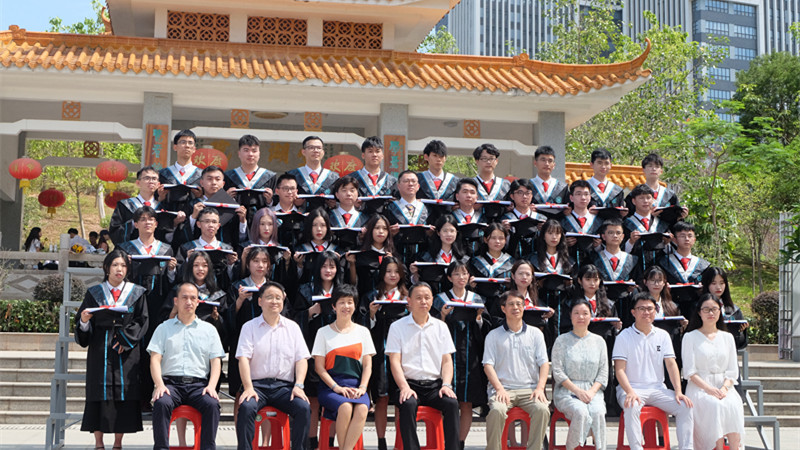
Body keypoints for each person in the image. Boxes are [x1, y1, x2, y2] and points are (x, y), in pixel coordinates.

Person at [75, 249, 148, 450]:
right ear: (106, 268)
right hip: (100, 349)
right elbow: (83, 324)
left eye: (123, 266)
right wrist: (84, 321)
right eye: (115, 265)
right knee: (98, 394)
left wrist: (125, 340)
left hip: (126, 352)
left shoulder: (136, 293)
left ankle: (118, 443)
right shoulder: (94, 293)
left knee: (123, 396)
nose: (119, 269)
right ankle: (98, 443)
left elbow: (142, 321)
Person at [148, 282, 225, 450]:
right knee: (161, 402)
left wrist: (212, 386)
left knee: (212, 404)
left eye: (193, 298)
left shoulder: (209, 330)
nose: (189, 302)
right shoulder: (163, 328)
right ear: (176, 301)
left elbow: (216, 361)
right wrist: (159, 385)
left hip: (198, 386)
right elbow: (154, 359)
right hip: (171, 385)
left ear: (198, 302)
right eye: (184, 298)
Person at [236, 281, 312, 450]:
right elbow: (243, 359)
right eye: (269, 297)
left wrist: (299, 385)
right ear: (260, 301)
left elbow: (301, 359)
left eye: (278, 298)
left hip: (284, 388)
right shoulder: (249, 327)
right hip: (257, 387)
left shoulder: (292, 327)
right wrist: (248, 388)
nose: (274, 301)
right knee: (247, 408)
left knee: (303, 408)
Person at [613, 292, 693, 450]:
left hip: (657, 389)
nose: (646, 312)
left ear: (656, 311)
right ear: (633, 312)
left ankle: (686, 448)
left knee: (685, 406)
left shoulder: (663, 335)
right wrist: (629, 391)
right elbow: (619, 369)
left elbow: (671, 364)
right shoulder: (624, 336)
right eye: (641, 309)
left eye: (650, 308)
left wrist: (678, 391)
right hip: (631, 388)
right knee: (632, 405)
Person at [386, 282, 460, 450]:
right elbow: (394, 361)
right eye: (418, 298)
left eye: (427, 298)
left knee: (452, 403)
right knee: (408, 404)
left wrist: (446, 385)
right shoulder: (397, 327)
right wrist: (404, 387)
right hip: (409, 384)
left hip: (435, 386)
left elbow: (447, 360)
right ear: (409, 301)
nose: (423, 301)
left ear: (432, 300)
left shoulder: (441, 327)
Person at [482, 290, 550, 450]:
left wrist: (540, 388)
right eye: (511, 304)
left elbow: (544, 363)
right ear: (503, 308)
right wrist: (499, 389)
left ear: (524, 307)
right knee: (497, 411)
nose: (515, 308)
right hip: (503, 390)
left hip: (530, 390)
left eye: (519, 304)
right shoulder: (493, 335)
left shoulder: (535, 334)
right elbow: (488, 365)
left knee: (542, 409)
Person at [312, 284, 376, 450]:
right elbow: (319, 368)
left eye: (350, 302)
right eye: (341, 302)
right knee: (345, 406)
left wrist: (362, 388)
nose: (346, 306)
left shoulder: (363, 332)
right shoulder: (323, 332)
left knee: (362, 408)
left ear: (355, 305)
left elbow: (367, 365)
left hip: (356, 387)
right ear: (334, 306)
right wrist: (337, 388)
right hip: (331, 387)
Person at [433, 261, 490, 449]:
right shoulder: (440, 299)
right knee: (448, 403)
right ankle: (446, 442)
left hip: (470, 355)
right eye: (456, 274)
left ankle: (460, 443)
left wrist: (479, 317)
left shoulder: (476, 299)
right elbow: (432, 327)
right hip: (446, 355)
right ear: (449, 277)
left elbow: (484, 328)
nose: (461, 277)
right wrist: (442, 316)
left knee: (466, 403)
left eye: (464, 273)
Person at [681, 293, 744, 450]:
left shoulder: (727, 337)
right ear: (699, 312)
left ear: (720, 311)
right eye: (706, 309)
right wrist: (709, 389)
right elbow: (689, 371)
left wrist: (724, 389)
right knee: (714, 406)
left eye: (714, 309)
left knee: (733, 404)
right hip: (700, 388)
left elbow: (732, 370)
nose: (711, 313)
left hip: (724, 387)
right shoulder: (690, 337)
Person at [360, 256, 408, 450]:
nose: (393, 275)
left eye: (396, 271)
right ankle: (381, 441)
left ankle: (400, 441)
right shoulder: (372, 296)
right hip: (379, 351)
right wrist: (371, 314)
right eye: (388, 271)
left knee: (401, 398)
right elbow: (362, 327)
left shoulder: (407, 297)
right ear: (382, 273)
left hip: (403, 353)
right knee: (381, 398)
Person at [551, 299, 608, 450]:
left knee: (598, 412)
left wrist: (591, 392)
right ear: (570, 316)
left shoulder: (599, 341)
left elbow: (603, 372)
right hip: (567, 391)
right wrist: (577, 391)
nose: (581, 317)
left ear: (591, 316)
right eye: (576, 313)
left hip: (592, 391)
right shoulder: (561, 341)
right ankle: (573, 447)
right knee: (580, 411)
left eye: (585, 313)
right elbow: (558, 372)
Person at [224, 134, 276, 222]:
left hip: (261, 223)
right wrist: (227, 198)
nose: (250, 154)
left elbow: (275, 204)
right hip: (235, 223)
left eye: (254, 151)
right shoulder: (229, 176)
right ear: (239, 153)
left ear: (259, 154)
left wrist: (269, 201)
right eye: (246, 150)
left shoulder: (269, 177)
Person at [626, 153, 687, 225]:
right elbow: (629, 218)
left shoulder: (670, 195)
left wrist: (681, 216)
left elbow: (676, 222)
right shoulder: (634, 194)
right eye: (650, 166)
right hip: (641, 229)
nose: (654, 169)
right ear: (643, 170)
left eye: (657, 166)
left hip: (666, 230)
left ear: (661, 171)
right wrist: (647, 215)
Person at [623, 184, 671, 272]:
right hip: (635, 272)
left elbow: (668, 253)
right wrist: (631, 242)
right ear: (634, 201)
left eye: (648, 198)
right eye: (641, 198)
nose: (645, 201)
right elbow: (620, 251)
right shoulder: (625, 224)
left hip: (658, 273)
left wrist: (667, 243)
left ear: (653, 200)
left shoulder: (661, 224)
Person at [347, 136, 397, 215]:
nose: (374, 155)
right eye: (370, 151)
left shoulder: (392, 181)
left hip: (384, 221)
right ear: (363, 155)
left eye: (377, 151)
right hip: (359, 220)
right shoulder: (351, 179)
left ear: (382, 156)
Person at [701, 266, 748, 349]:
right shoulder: (698, 308)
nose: (718, 287)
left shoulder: (734, 310)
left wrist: (741, 331)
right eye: (714, 283)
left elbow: (740, 344)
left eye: (722, 283)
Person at [386, 170, 428, 262]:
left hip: (421, 254)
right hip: (397, 254)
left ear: (418, 186)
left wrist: (430, 234)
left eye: (413, 181)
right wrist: (390, 233)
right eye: (406, 181)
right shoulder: (390, 208)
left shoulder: (427, 209)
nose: (410, 184)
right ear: (398, 186)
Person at [158, 130, 202, 212]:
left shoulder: (201, 175)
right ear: (175, 147)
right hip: (169, 216)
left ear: (194, 149)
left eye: (190, 143)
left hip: (194, 216)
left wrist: (200, 196)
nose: (187, 146)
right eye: (183, 142)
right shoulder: (163, 174)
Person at [561, 180, 602, 267]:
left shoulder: (598, 221)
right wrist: (564, 243)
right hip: (569, 265)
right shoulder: (562, 221)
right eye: (578, 194)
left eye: (586, 194)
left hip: (592, 267)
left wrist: (598, 246)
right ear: (571, 198)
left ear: (590, 197)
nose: (583, 197)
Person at [502, 178, 546, 259]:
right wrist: (504, 233)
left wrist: (544, 232)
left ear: (532, 196)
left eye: (528, 193)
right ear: (512, 196)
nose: (524, 196)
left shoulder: (541, 219)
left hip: (536, 262)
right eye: (520, 193)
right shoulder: (504, 220)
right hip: (511, 261)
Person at [287, 136, 339, 200]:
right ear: (303, 152)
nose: (316, 151)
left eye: (319, 148)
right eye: (311, 148)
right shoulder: (292, 175)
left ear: (323, 152)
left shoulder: (334, 177)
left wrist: (333, 204)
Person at [452, 178, 485, 257]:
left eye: (472, 192)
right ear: (457, 196)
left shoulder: (483, 218)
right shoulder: (451, 219)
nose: (469, 195)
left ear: (476, 197)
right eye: (465, 192)